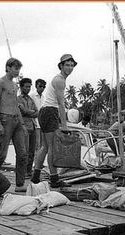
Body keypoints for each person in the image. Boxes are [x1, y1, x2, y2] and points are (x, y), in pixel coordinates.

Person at [31, 54, 77, 188]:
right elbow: (61, 104)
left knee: (45, 146)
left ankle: (35, 176)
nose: (69, 68)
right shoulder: (60, 80)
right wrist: (64, 125)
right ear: (61, 66)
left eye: (71, 65)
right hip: (50, 112)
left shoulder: (59, 79)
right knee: (52, 147)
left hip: (45, 111)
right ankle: (54, 178)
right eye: (67, 65)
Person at [0, 58, 28, 192]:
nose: (17, 71)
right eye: (15, 68)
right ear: (8, 67)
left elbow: (14, 104)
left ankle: (19, 184)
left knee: (22, 154)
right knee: (2, 154)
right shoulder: (0, 82)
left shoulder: (14, 85)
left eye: (19, 69)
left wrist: (22, 123)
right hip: (5, 119)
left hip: (16, 120)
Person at [17, 78, 38, 178]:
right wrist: (29, 112)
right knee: (24, 151)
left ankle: (29, 171)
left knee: (32, 151)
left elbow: (37, 112)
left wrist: (28, 112)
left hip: (33, 126)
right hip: (23, 127)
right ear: (21, 87)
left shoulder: (30, 99)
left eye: (29, 87)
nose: (28, 88)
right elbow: (23, 111)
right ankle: (23, 172)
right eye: (26, 86)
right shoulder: (17, 99)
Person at [29, 79, 46, 151]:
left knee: (42, 145)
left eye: (44, 87)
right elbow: (29, 110)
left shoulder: (44, 97)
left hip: (42, 124)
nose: (42, 88)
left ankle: (39, 161)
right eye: (40, 86)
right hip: (34, 124)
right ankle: (36, 161)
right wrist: (33, 120)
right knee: (36, 145)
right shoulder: (32, 96)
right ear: (36, 86)